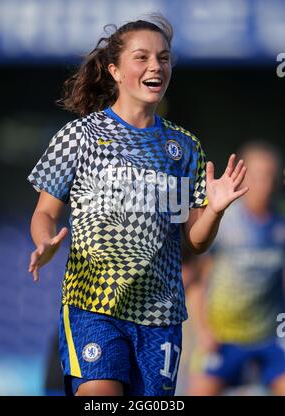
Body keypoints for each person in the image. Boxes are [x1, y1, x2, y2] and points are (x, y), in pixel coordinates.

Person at [27, 15, 248, 396]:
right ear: (114, 69)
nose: (155, 67)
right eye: (141, 57)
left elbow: (193, 242)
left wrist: (214, 209)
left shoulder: (183, 148)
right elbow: (45, 212)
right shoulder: (80, 134)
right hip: (92, 304)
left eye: (163, 58)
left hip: (160, 315)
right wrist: (45, 241)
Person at [186, 141, 285, 396]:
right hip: (222, 338)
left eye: (273, 176)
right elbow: (195, 281)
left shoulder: (280, 227)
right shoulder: (223, 223)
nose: (267, 183)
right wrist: (204, 332)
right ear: (242, 177)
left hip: (268, 339)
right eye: (260, 175)